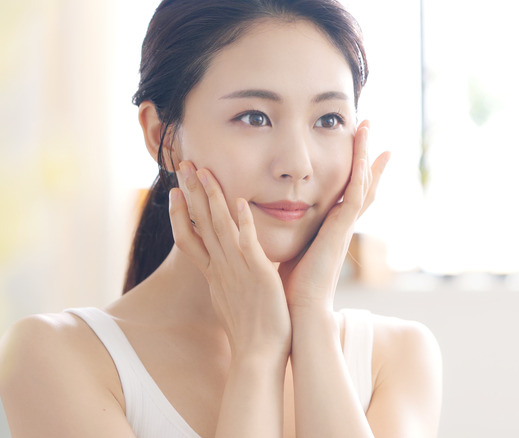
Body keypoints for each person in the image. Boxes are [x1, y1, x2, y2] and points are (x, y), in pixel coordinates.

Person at [0, 0, 442, 436]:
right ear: (163, 136)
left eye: (328, 119)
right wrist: (256, 354)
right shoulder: (58, 356)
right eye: (255, 117)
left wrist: (310, 316)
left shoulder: (396, 357)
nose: (297, 164)